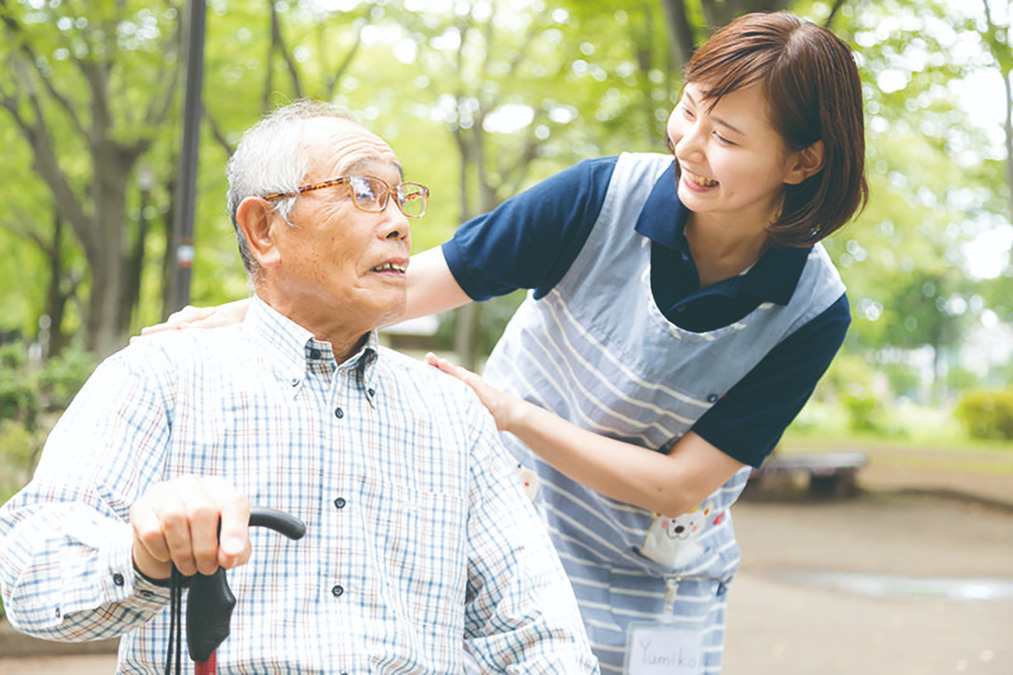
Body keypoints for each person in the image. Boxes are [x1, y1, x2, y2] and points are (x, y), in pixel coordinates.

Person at [143, 11, 868, 673]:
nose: (689, 144)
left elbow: (676, 484)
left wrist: (512, 413)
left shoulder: (811, 308)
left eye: (727, 138)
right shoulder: (597, 197)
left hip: (654, 576)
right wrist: (257, 314)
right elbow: (409, 288)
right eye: (687, 110)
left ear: (801, 161)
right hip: (509, 525)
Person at [0, 101, 600, 674]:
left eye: (399, 198)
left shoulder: (451, 412)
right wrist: (143, 552)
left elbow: (536, 630)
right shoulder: (161, 376)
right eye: (363, 192)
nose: (397, 224)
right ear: (264, 229)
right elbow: (28, 570)